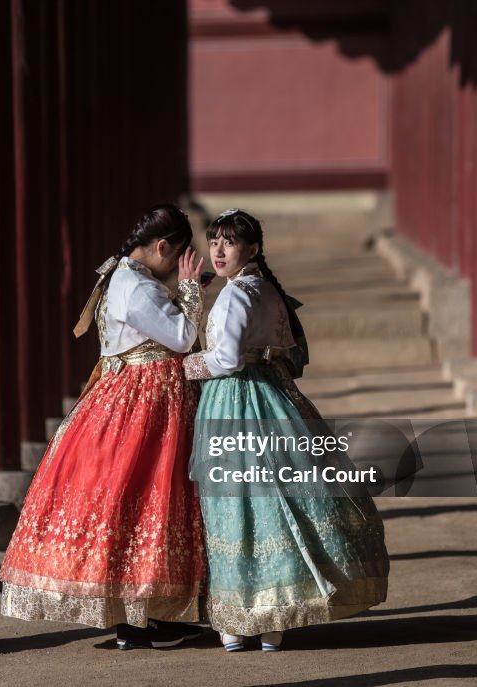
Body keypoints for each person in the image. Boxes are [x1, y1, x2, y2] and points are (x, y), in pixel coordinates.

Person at [0, 203, 208, 650]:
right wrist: (189, 292)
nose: (176, 269)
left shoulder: (124, 277)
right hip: (146, 402)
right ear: (163, 247)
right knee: (150, 499)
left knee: (129, 502)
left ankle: (140, 617)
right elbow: (182, 338)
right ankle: (145, 615)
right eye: (176, 259)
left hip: (127, 398)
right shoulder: (137, 288)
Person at [183, 208, 390, 652]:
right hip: (272, 394)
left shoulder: (238, 293)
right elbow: (285, 350)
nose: (218, 250)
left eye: (229, 242)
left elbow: (226, 360)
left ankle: (241, 618)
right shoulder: (268, 289)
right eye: (214, 241)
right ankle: (275, 620)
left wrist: (185, 366)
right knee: (276, 501)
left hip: (235, 399)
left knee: (238, 505)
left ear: (252, 248)